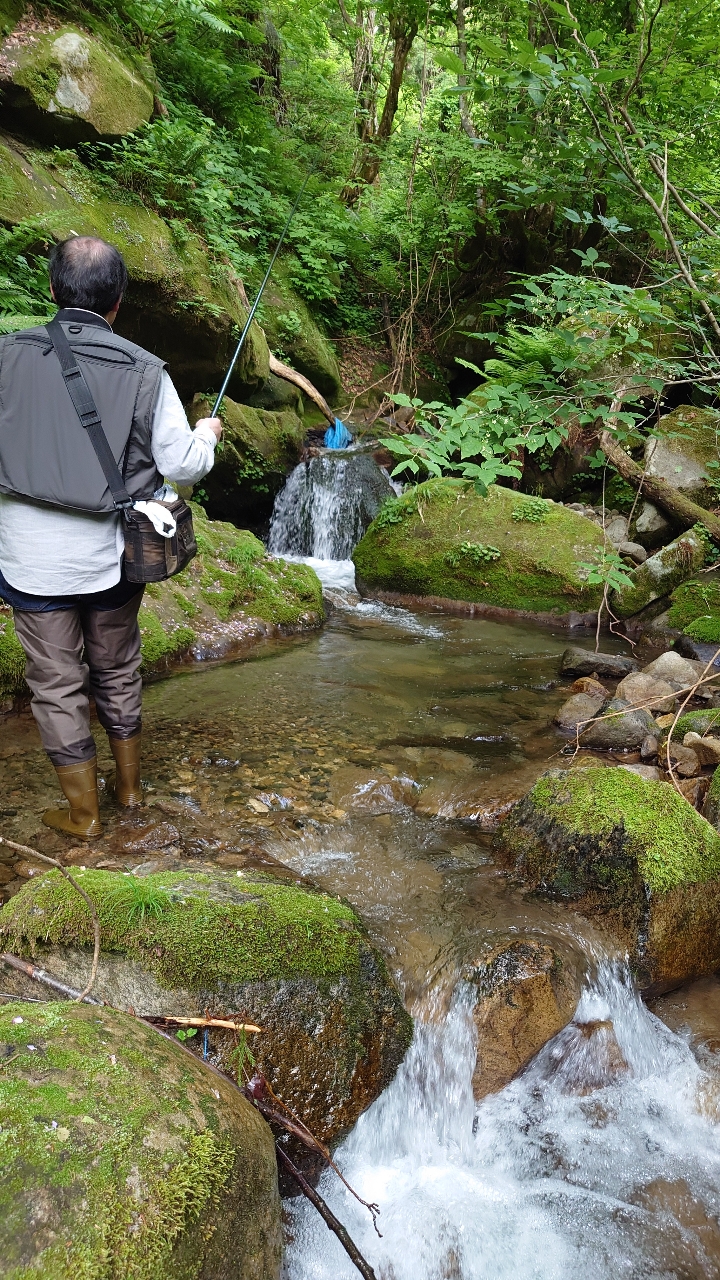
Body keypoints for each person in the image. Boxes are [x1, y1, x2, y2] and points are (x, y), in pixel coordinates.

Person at [0, 235, 222, 838]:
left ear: (51, 290)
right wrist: (208, 433)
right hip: (114, 557)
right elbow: (181, 465)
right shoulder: (147, 372)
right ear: (118, 301)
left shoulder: (5, 355)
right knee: (118, 666)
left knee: (55, 683)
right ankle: (127, 792)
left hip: (28, 560)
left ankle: (83, 816)